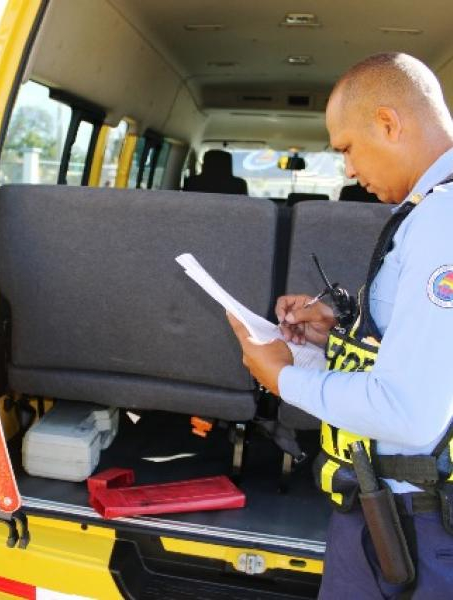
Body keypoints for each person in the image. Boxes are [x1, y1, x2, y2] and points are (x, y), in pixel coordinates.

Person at [227, 53, 453, 598]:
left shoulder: (443, 221)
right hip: (402, 517)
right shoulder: (432, 211)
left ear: (388, 123)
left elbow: (410, 412)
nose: (348, 171)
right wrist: (342, 331)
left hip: (415, 528)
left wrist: (282, 378)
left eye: (347, 149)